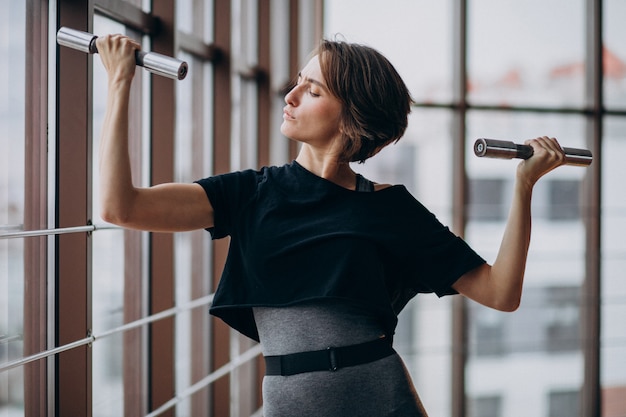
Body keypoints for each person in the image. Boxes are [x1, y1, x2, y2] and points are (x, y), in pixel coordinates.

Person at [96, 33, 566, 416]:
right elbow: (122, 208)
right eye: (298, 81)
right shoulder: (250, 193)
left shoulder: (391, 209)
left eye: (313, 90)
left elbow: (501, 293)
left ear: (350, 120)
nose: (291, 95)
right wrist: (119, 83)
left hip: (383, 400)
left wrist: (524, 186)